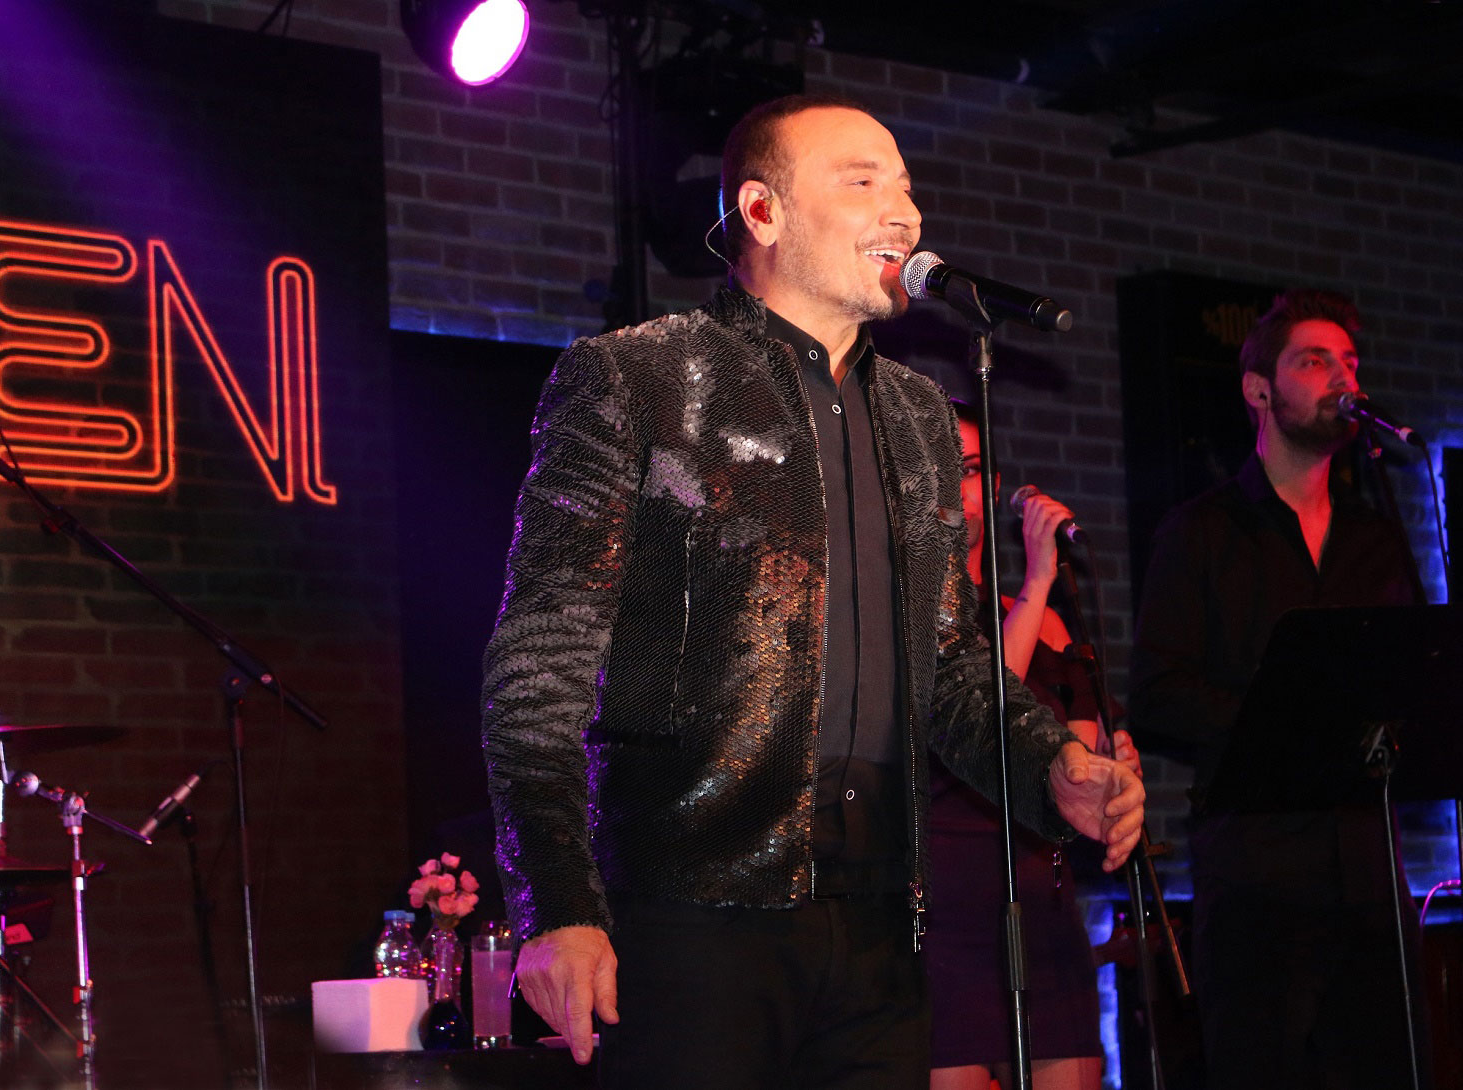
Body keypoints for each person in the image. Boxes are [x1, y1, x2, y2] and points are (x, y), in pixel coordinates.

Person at [480, 93, 1145, 1089]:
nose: (904, 213)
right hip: (692, 912)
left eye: (907, 188)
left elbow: (949, 664)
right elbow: (539, 667)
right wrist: (557, 902)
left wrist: (1051, 766)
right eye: (863, 181)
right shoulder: (637, 378)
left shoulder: (919, 418)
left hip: (881, 922)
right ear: (762, 211)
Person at [1128, 288, 1428, 1088]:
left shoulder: (1377, 537)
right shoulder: (1201, 532)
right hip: (1258, 872)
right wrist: (1283, 722)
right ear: (1259, 390)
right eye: (1314, 360)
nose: (1343, 377)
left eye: (1350, 361)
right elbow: (1157, 691)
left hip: (1370, 868)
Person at [928, 402, 1141, 1090]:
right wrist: (1039, 579)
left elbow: (1076, 746)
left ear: (993, 484)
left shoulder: (1044, 622)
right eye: (937, 469)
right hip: (946, 907)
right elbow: (983, 711)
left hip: (1041, 901)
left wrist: (1110, 766)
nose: (956, 488)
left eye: (968, 469)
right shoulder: (917, 617)